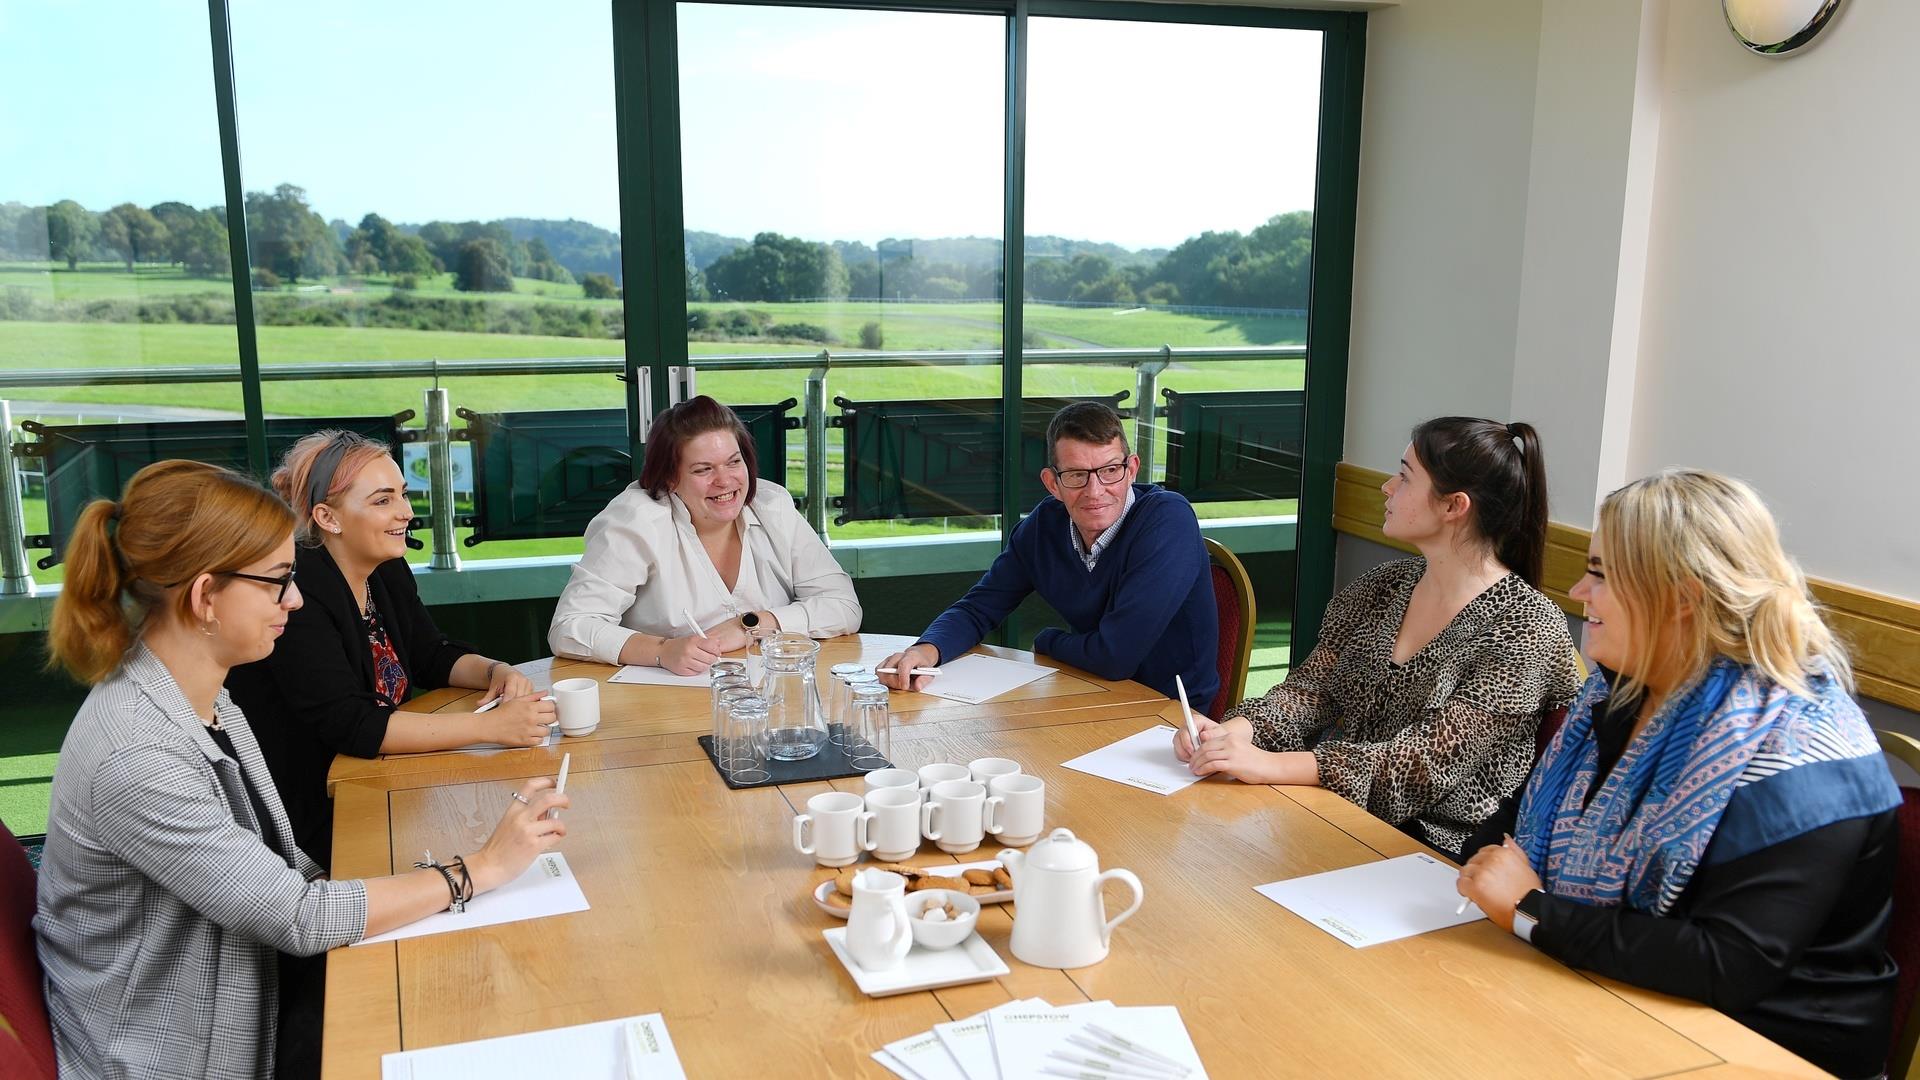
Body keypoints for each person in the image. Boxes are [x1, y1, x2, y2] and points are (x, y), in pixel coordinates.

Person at [35, 460, 567, 1080]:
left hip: (250, 987)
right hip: (187, 1051)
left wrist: (438, 874)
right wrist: (480, 869)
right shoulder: (137, 754)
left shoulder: (201, 693)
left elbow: (284, 869)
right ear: (206, 596)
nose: (295, 598)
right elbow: (300, 916)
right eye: (277, 582)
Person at [1456, 469, 1899, 1080]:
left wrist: (1533, 909)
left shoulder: (1804, 755)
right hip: (1599, 990)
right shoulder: (1619, 693)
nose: (1579, 590)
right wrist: (1507, 886)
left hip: (1759, 1050)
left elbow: (1727, 965)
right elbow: (1510, 827)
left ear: (1683, 599)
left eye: (1603, 574)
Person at [1176, 418, 1581, 859]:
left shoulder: (1526, 627)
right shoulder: (1383, 586)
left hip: (1433, 857)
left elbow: (1417, 768)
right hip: (1330, 815)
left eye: (1405, 477)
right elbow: (1311, 692)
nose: (1387, 487)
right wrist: (1232, 734)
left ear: (1453, 506)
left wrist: (1268, 764)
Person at [227, 431, 554, 868]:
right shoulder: (300, 593)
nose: (404, 512)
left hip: (383, 781)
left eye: (402, 494)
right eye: (383, 501)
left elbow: (429, 654)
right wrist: (492, 729)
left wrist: (495, 671)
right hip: (318, 812)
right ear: (328, 517)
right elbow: (351, 724)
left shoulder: (385, 568)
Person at [878, 402, 1219, 715]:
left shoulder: (1167, 519)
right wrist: (925, 650)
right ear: (1052, 483)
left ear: (1131, 469)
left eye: (1110, 470)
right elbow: (978, 608)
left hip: (1171, 715)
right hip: (1087, 694)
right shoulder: (1044, 527)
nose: (1095, 491)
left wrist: (1048, 641)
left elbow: (1116, 657)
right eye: (1076, 476)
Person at [549, 395, 861, 675]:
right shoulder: (634, 520)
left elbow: (843, 606)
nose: (725, 481)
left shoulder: (772, 504)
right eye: (703, 470)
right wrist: (661, 651)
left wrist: (753, 625)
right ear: (670, 478)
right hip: (660, 705)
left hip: (768, 695)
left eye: (734, 462)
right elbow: (569, 628)